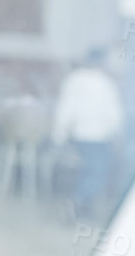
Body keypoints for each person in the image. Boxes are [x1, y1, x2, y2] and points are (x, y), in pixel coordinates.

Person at [51, 48, 124, 223]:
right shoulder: (106, 83)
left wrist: (58, 135)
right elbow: (114, 114)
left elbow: (64, 108)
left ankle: (80, 205)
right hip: (98, 137)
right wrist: (117, 133)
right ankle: (77, 201)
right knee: (97, 172)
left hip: (77, 135)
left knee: (86, 171)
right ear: (102, 62)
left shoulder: (74, 79)